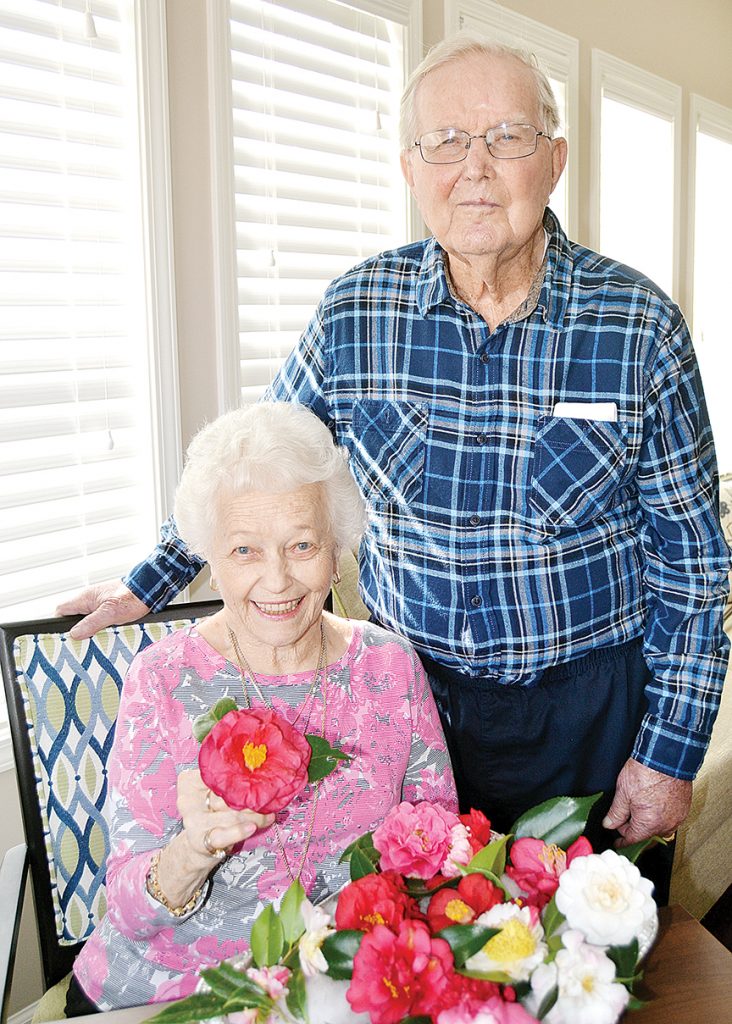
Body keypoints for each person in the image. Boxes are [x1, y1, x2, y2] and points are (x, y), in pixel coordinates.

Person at [59, 35, 730, 878]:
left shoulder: (638, 327)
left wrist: (668, 753)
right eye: (445, 141)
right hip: (406, 710)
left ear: (553, 161)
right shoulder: (354, 313)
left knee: (593, 980)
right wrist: (147, 582)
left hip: (588, 717)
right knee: (416, 972)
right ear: (412, 170)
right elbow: (257, 463)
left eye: (507, 137)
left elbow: (694, 566)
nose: (474, 167)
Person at [65, 402, 457, 1013]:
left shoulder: (390, 668)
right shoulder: (164, 680)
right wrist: (192, 852)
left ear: (337, 547)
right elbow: (128, 913)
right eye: (245, 550)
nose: (277, 581)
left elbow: (436, 851)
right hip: (165, 997)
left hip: (335, 994)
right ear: (211, 559)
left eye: (302, 544)